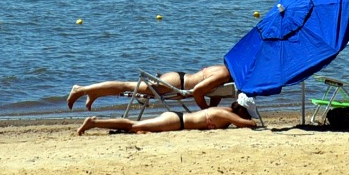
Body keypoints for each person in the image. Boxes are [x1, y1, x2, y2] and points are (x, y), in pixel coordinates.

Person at [66, 63, 233, 110]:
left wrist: (212, 107)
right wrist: (206, 111)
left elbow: (214, 92)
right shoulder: (224, 74)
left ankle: (95, 93)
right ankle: (80, 89)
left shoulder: (223, 68)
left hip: (177, 78)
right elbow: (197, 92)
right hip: (174, 85)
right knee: (126, 86)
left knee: (129, 88)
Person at [76, 103, 257, 135]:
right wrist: (254, 122)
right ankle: (94, 122)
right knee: (133, 125)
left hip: (176, 120)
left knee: (136, 127)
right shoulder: (225, 114)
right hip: (175, 122)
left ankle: (95, 123)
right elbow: (246, 124)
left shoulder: (225, 111)